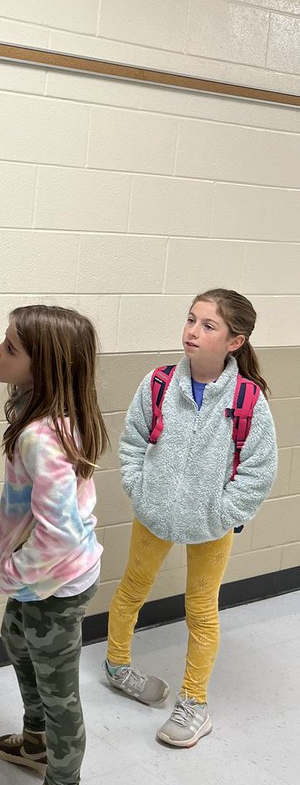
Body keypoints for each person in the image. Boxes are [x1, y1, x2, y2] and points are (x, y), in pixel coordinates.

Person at [106, 288, 277, 748]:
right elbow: (133, 441)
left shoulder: (247, 399)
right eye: (190, 320)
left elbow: (259, 471)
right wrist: (141, 492)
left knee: (201, 611)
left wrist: (224, 512)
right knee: (131, 590)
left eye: (208, 325)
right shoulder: (159, 382)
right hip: (154, 512)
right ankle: (117, 666)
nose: (192, 332)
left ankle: (194, 704)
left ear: (234, 341)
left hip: (211, 525)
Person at [0, 305, 107, 785]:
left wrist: (14, 572)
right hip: (45, 576)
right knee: (15, 638)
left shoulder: (41, 436)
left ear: (46, 366)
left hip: (51, 579)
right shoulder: (49, 412)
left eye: (11, 348)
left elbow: (58, 534)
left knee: (60, 694)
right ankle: (36, 741)